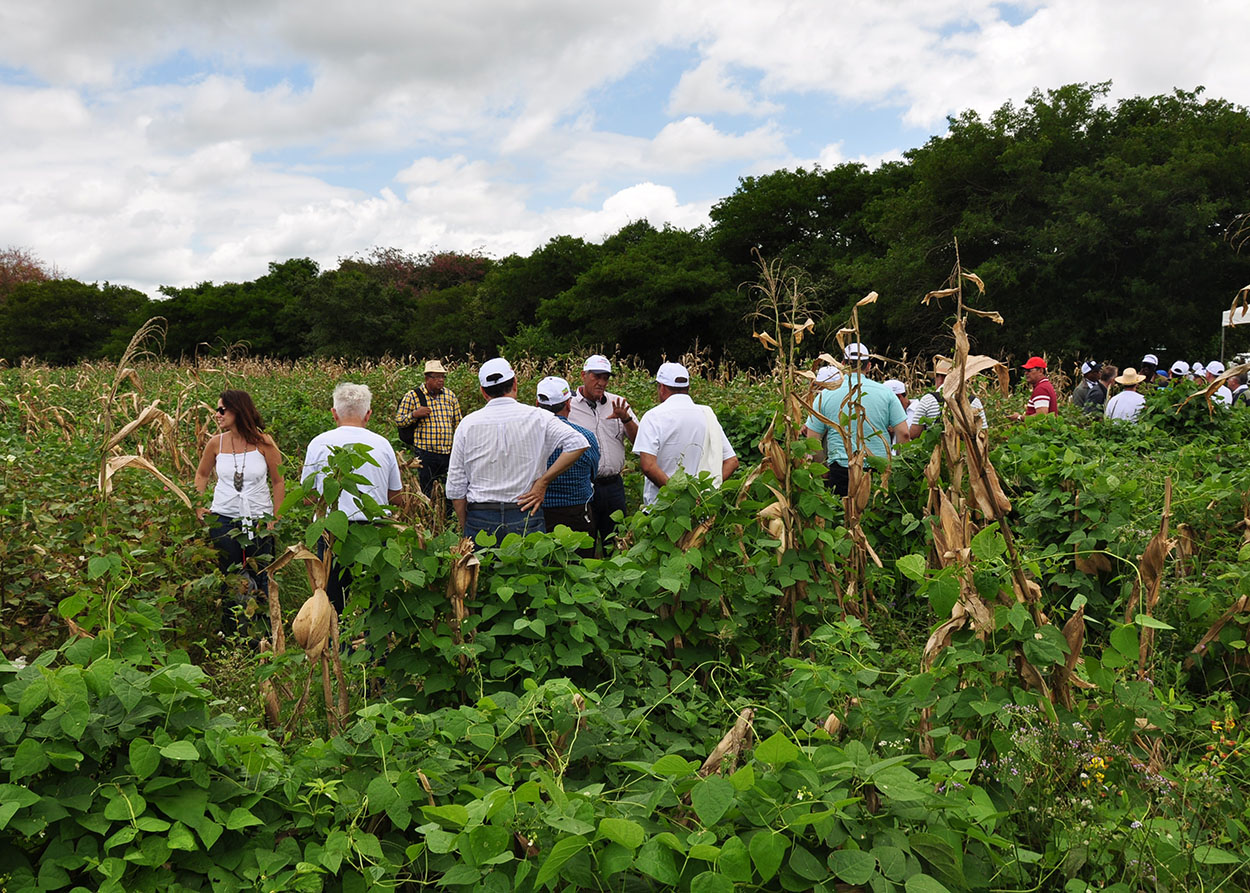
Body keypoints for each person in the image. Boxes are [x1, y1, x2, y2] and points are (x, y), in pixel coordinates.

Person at [446, 357, 590, 542]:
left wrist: (467, 526)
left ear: (483, 392)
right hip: (525, 512)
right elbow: (578, 442)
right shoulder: (538, 417)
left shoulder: (467, 424)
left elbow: (456, 487)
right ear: (515, 383)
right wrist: (543, 482)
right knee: (529, 569)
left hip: (481, 516)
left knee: (485, 570)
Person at [301, 383, 404, 613]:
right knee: (372, 602)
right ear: (368, 414)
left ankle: (338, 647)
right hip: (374, 530)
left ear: (334, 413)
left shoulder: (318, 443)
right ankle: (373, 646)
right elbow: (396, 497)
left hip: (331, 534)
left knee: (333, 603)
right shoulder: (383, 444)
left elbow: (308, 497)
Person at [194, 390, 285, 606]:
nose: (217, 414)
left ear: (238, 410)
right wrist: (198, 507)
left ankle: (264, 629)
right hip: (223, 518)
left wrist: (276, 516)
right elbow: (202, 474)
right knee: (230, 575)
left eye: (221, 410)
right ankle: (232, 629)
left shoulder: (264, 443)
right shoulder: (216, 444)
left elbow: (278, 481)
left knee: (262, 573)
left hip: (259, 518)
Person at [802, 343, 909, 496]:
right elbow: (904, 433)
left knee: (844, 514)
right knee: (876, 513)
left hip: (841, 467)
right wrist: (899, 465)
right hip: (879, 467)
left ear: (843, 364)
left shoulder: (824, 395)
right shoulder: (886, 393)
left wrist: (823, 468)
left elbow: (813, 439)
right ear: (869, 366)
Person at [634, 361, 739, 506]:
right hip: (701, 509)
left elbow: (648, 466)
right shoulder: (706, 414)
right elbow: (732, 462)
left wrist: (679, 496)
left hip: (662, 509)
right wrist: (705, 492)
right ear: (688, 387)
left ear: (662, 388)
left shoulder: (653, 416)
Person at [566, 354, 638, 551]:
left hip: (613, 486)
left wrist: (626, 419)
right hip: (583, 486)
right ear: (583, 375)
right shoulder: (569, 406)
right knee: (584, 543)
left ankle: (617, 578)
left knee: (617, 542)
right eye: (596, 376)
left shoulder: (618, 403)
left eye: (605, 377)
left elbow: (639, 441)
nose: (601, 382)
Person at [535, 376, 600, 554]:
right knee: (580, 567)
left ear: (537, 404)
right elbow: (593, 473)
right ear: (568, 404)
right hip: (577, 512)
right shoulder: (585, 436)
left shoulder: (529, 437)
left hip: (539, 512)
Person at [394, 359, 462, 496]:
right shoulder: (413, 396)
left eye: (442, 376)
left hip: (448, 452)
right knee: (426, 489)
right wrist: (414, 414)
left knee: (448, 489)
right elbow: (399, 421)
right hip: (425, 453)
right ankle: (428, 515)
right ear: (427, 378)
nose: (440, 380)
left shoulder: (450, 396)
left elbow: (458, 422)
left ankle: (447, 516)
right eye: (436, 377)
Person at [906, 358, 987, 438]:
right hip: (966, 450)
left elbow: (914, 434)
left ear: (939, 378)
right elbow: (983, 434)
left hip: (935, 450)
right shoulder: (974, 401)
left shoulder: (927, 399)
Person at [1008, 356, 1056, 420]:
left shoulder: (1041, 389)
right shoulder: (1045, 385)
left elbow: (1042, 415)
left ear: (1041, 371)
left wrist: (1019, 417)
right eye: (1025, 370)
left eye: (1029, 370)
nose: (1026, 373)